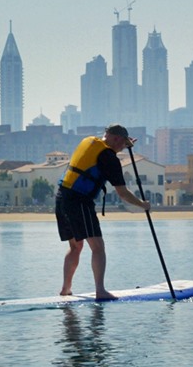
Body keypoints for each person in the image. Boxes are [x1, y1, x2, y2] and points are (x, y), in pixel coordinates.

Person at [55, 124, 151, 300]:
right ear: (116, 139)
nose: (123, 148)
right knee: (98, 247)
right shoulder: (109, 158)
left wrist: (124, 143)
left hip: (61, 197)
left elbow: (106, 150)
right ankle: (100, 291)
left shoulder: (90, 141)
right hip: (79, 202)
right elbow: (122, 193)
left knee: (76, 246)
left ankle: (65, 289)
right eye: (122, 144)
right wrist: (142, 205)